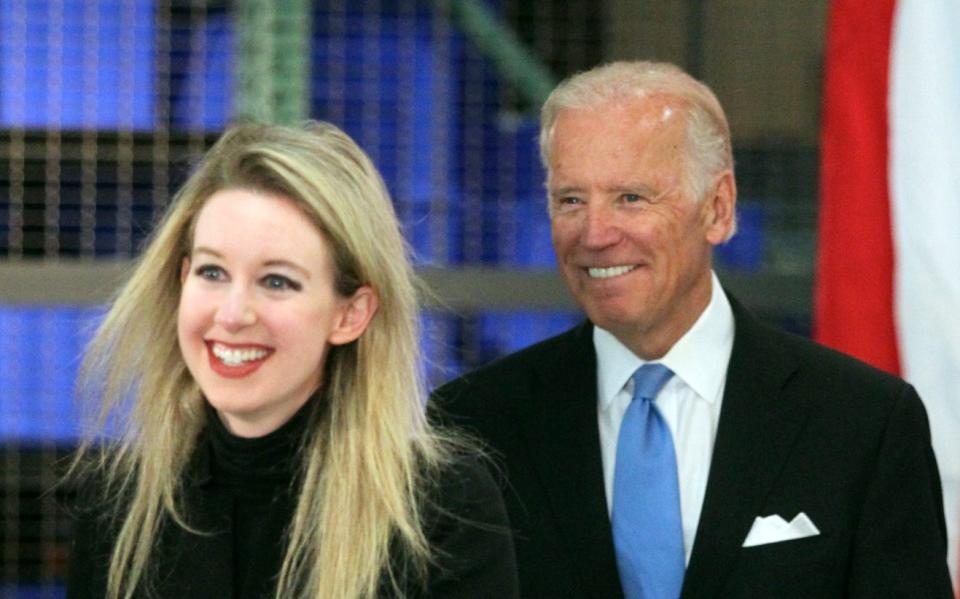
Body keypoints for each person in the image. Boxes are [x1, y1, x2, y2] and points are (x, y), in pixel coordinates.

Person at [434, 61, 953, 598]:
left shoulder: (863, 422)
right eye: (570, 200)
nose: (594, 233)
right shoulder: (471, 427)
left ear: (719, 209)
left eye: (630, 197)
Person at [66, 121, 518, 599]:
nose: (233, 314)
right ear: (182, 279)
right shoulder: (117, 503)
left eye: (277, 281)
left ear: (350, 314)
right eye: (212, 271)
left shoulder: (441, 508)